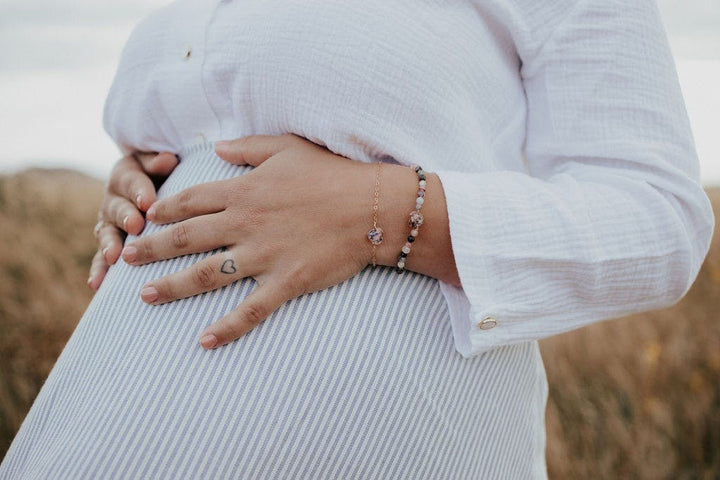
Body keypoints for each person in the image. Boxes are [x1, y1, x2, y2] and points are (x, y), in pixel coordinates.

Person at [1, 0, 714, 478]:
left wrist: (381, 208)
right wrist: (145, 176)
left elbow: (656, 218)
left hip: (373, 435)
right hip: (99, 417)